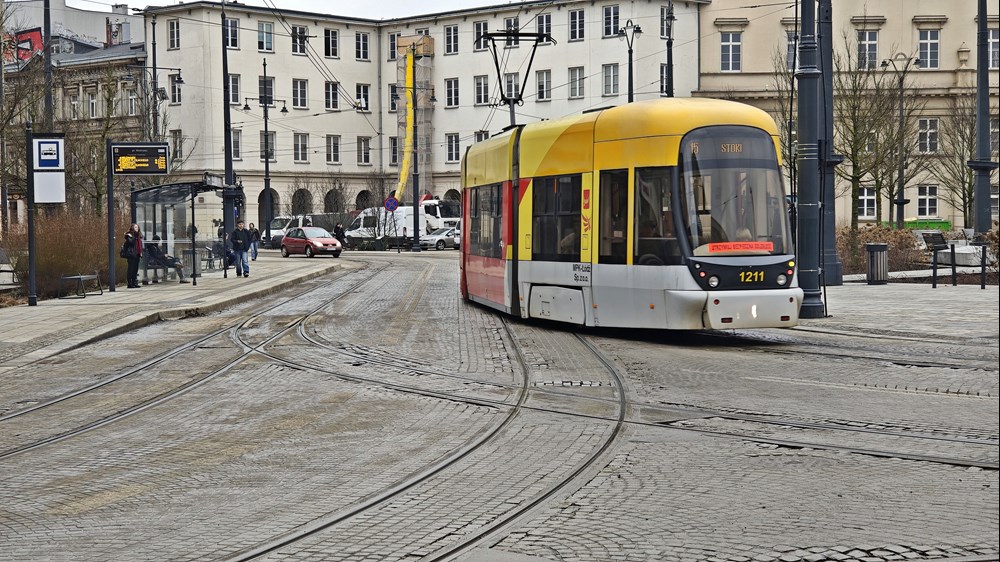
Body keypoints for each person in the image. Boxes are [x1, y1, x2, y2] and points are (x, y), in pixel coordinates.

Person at [121, 223, 143, 288]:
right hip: (131, 254)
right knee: (131, 269)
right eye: (135, 227)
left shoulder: (139, 236)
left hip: (137, 254)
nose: (137, 229)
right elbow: (131, 242)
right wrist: (135, 237)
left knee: (135, 269)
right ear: (132, 228)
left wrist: (141, 252)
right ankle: (130, 283)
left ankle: (134, 282)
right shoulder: (129, 235)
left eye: (137, 227)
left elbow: (140, 244)